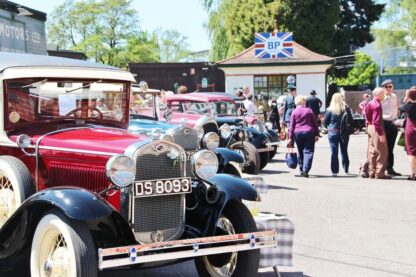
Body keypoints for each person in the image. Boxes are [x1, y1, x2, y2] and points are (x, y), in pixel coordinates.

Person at [288, 95, 320, 177]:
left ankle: (301, 169)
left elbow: (291, 126)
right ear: (304, 102)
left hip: (298, 133)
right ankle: (306, 169)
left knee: (300, 151)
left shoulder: (294, 112)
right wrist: (317, 134)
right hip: (309, 132)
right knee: (308, 151)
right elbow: (315, 123)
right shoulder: (309, 110)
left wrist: (290, 138)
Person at [324, 93, 353, 176]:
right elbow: (351, 121)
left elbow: (325, 122)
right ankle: (346, 170)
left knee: (334, 152)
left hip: (333, 132)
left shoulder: (329, 110)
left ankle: (334, 171)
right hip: (344, 132)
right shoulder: (346, 109)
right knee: (344, 151)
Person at [365, 87, 391, 179]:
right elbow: (376, 121)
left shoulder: (370, 103)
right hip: (376, 128)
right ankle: (380, 173)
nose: (384, 95)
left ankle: (372, 172)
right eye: (383, 93)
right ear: (378, 94)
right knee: (382, 151)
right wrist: (381, 134)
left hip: (370, 127)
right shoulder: (377, 105)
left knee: (372, 151)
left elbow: (367, 116)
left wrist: (368, 125)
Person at [380, 79, 401, 176]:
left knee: (391, 147)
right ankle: (381, 168)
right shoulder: (381, 97)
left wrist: (397, 119)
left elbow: (396, 108)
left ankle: (390, 168)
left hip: (393, 123)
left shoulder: (394, 96)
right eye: (386, 87)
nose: (388, 88)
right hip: (384, 123)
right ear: (383, 88)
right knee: (383, 148)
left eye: (390, 86)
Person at [399, 87, 416, 180]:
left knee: (411, 153)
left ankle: (414, 173)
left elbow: (400, 107)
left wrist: (406, 97)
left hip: (411, 130)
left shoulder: (407, 106)